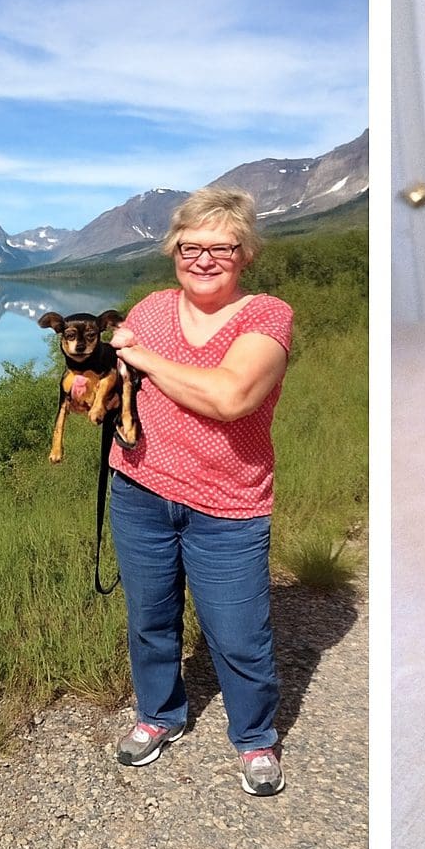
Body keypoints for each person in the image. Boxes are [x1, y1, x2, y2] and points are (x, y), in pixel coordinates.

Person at [104, 187, 293, 796]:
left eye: (220, 247)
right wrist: (94, 390)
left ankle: (255, 738)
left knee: (238, 633)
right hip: (138, 488)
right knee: (150, 619)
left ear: (245, 254)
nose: (204, 259)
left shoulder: (268, 316)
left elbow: (230, 398)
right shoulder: (152, 309)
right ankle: (158, 715)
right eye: (190, 247)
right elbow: (117, 379)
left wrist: (147, 359)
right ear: (173, 251)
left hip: (228, 505)